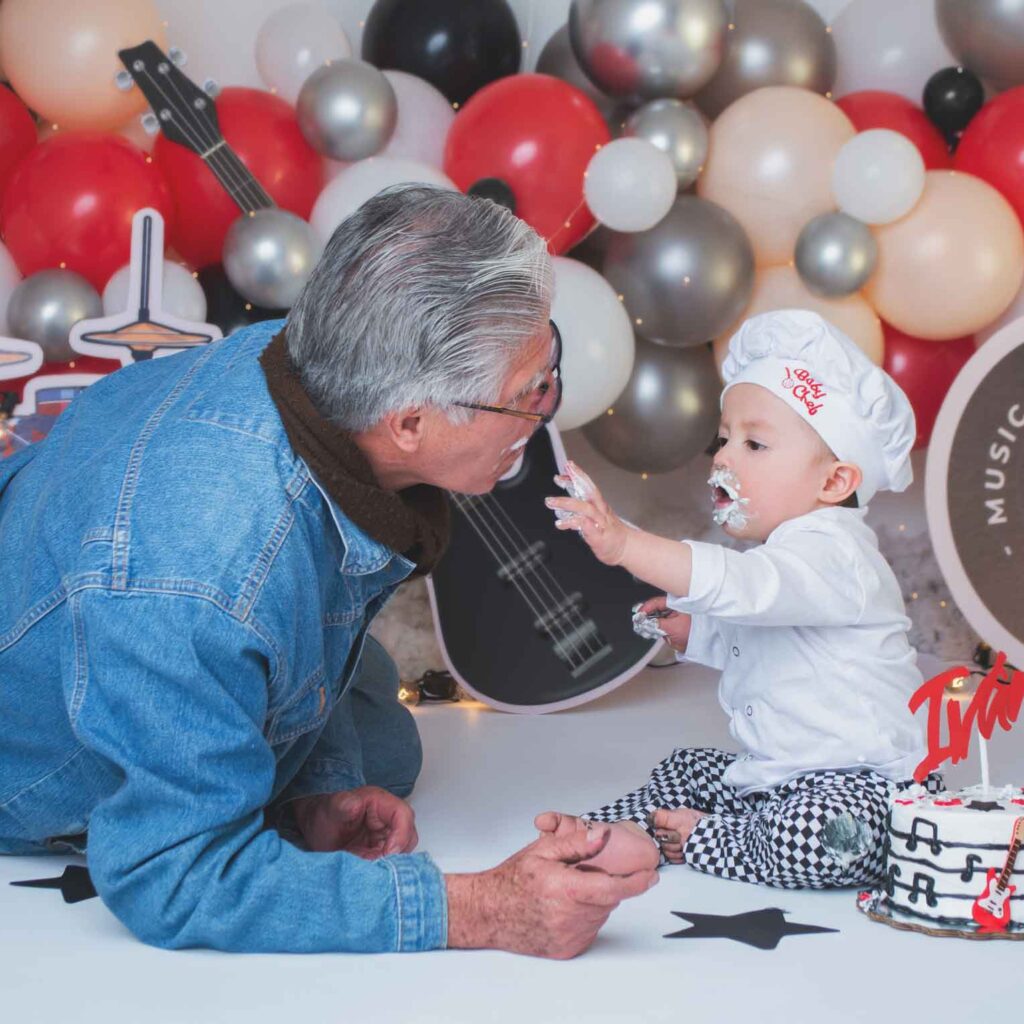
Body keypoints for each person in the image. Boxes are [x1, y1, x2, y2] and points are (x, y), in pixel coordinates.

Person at [0, 185, 657, 956]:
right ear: (409, 423)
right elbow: (170, 874)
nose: (548, 405)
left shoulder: (320, 355)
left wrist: (316, 789)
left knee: (381, 748)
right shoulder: (199, 581)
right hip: (44, 729)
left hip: (102, 575)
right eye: (527, 394)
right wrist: (480, 909)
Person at [540, 309, 943, 889]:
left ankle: (703, 838)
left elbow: (747, 590)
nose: (724, 457)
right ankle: (615, 829)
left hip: (869, 787)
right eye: (723, 439)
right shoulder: (785, 558)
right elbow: (766, 632)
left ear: (833, 482)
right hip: (784, 777)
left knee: (824, 834)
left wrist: (627, 544)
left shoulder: (836, 555)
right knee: (690, 767)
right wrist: (697, 633)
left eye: (755, 443)